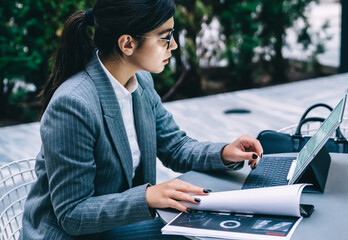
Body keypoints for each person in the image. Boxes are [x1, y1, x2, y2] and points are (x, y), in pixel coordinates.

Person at [20, 0, 263, 239]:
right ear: (127, 44)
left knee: (211, 226)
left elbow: (175, 147)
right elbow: (73, 214)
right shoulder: (73, 104)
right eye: (165, 37)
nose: (175, 45)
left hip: (114, 225)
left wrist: (223, 153)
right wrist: (147, 196)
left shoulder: (141, 82)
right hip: (71, 234)